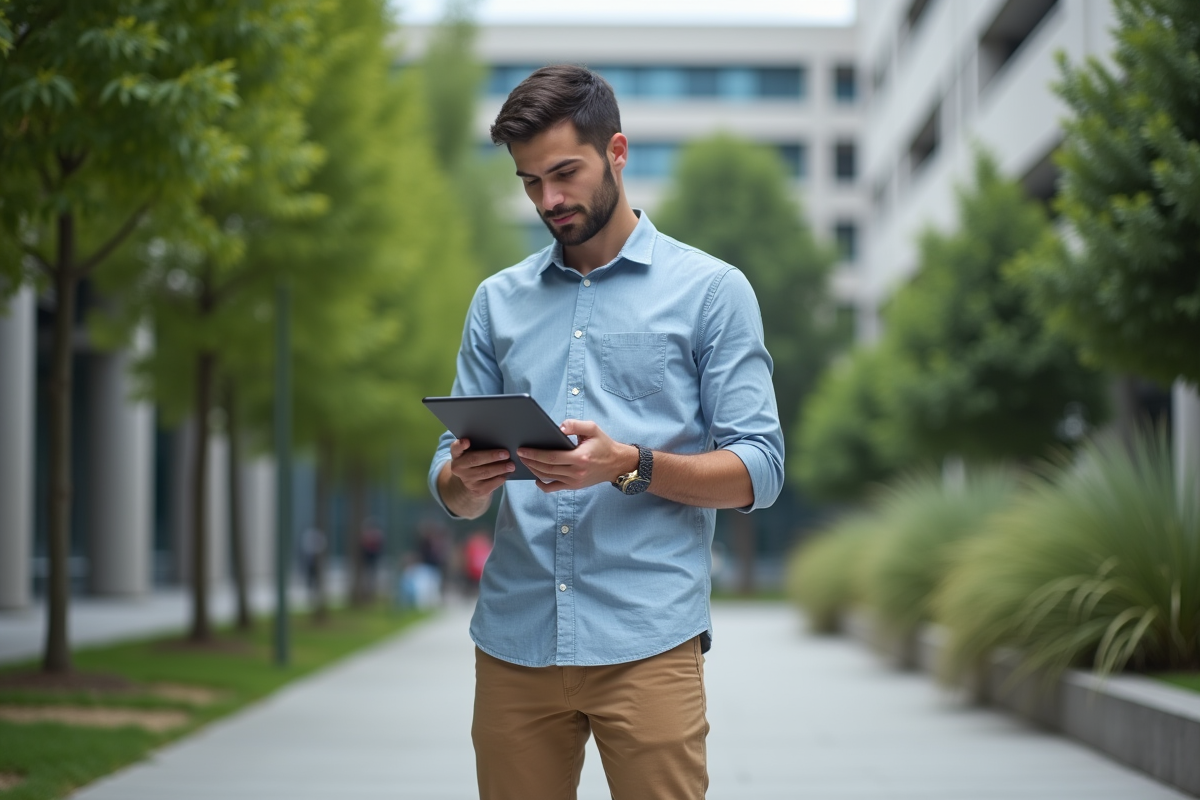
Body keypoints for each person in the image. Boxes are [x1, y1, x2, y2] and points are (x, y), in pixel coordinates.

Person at [427, 64, 784, 800]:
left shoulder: (712, 292)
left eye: (564, 173)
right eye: (530, 183)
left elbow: (762, 468)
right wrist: (462, 482)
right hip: (514, 641)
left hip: (648, 639)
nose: (549, 200)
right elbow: (451, 488)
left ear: (617, 152)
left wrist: (630, 465)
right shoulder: (496, 303)